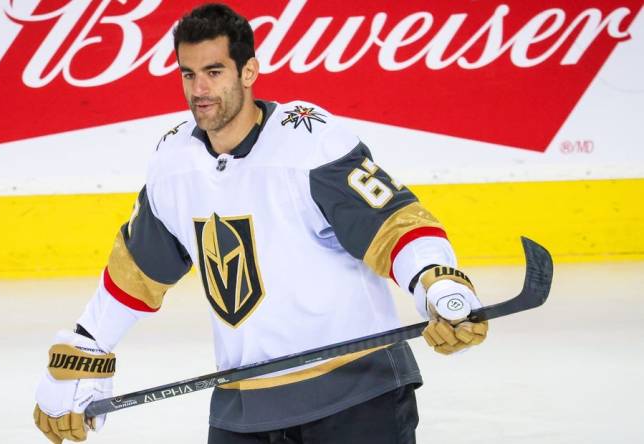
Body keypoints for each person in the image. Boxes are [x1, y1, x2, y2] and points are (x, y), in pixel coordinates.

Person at [33, 3, 489, 443]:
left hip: (357, 396)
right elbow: (138, 271)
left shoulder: (310, 143)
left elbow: (393, 224)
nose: (199, 90)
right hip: (244, 406)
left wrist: (437, 281)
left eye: (214, 72)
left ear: (248, 71)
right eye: (188, 74)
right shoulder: (174, 163)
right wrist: (86, 347)